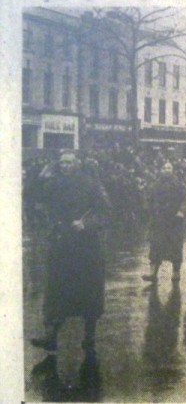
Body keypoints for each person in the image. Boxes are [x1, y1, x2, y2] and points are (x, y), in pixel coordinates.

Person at [31, 151, 110, 357]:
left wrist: (86, 223)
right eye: (62, 163)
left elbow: (105, 212)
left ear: (77, 164)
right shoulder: (54, 184)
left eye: (69, 163)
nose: (65, 167)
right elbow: (32, 196)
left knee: (88, 291)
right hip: (61, 244)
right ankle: (51, 336)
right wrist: (41, 176)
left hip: (86, 247)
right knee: (56, 289)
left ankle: (89, 336)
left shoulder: (91, 184)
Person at [142, 161, 186, 283]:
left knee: (175, 246)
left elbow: (185, 198)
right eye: (164, 167)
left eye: (169, 168)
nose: (166, 170)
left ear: (172, 170)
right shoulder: (155, 184)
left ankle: (176, 272)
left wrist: (181, 211)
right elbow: (149, 198)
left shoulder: (178, 184)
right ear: (161, 170)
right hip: (159, 219)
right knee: (156, 245)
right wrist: (150, 211)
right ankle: (153, 273)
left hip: (174, 220)